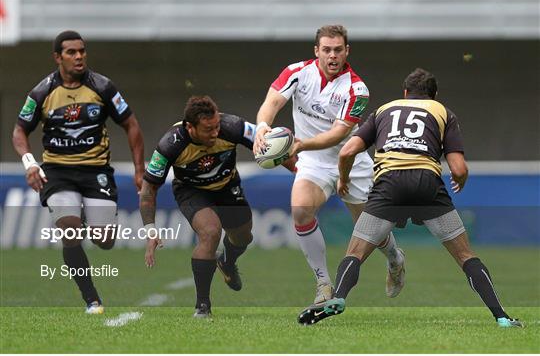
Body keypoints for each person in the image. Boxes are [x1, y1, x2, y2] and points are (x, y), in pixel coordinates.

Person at [297, 68, 523, 328]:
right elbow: (458, 168)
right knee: (465, 256)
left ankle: (338, 297)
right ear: (434, 95)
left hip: (388, 186)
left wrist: (344, 179)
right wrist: (460, 179)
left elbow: (347, 151)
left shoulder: (383, 110)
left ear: (404, 93)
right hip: (427, 185)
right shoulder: (443, 112)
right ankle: (502, 317)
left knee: (356, 253)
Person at [253, 24, 405, 304]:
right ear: (316, 51)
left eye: (338, 50)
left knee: (371, 230)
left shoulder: (357, 89)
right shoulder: (297, 72)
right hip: (313, 163)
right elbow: (272, 102)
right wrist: (263, 126)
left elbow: (339, 133)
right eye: (326, 50)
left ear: (347, 51)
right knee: (300, 212)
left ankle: (395, 259)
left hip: (351, 161)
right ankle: (323, 283)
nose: (332, 56)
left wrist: (298, 145)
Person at [11, 30, 145, 314]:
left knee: (104, 240)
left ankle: (87, 215)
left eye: (82, 51)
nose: (79, 56)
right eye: (71, 52)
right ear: (58, 57)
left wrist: (139, 170)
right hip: (57, 173)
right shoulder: (42, 91)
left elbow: (131, 124)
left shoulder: (103, 87)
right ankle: (92, 299)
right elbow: (19, 130)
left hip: (95, 171)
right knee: (70, 231)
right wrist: (30, 163)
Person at [140, 95, 294, 318]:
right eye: (208, 129)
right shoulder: (169, 145)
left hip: (227, 186)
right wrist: (150, 229)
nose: (215, 132)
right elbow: (148, 189)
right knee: (211, 233)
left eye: (217, 126)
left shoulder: (233, 126)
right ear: (190, 127)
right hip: (192, 191)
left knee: (243, 237)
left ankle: (227, 262)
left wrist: (298, 171)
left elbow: (273, 148)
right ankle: (202, 306)